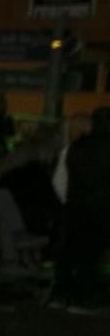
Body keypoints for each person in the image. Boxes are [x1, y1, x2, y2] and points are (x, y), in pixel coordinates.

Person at [52, 106, 110, 310]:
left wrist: (68, 201)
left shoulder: (75, 147)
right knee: (90, 257)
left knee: (69, 255)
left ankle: (61, 295)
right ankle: (84, 298)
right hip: (100, 209)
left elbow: (60, 180)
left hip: (75, 207)